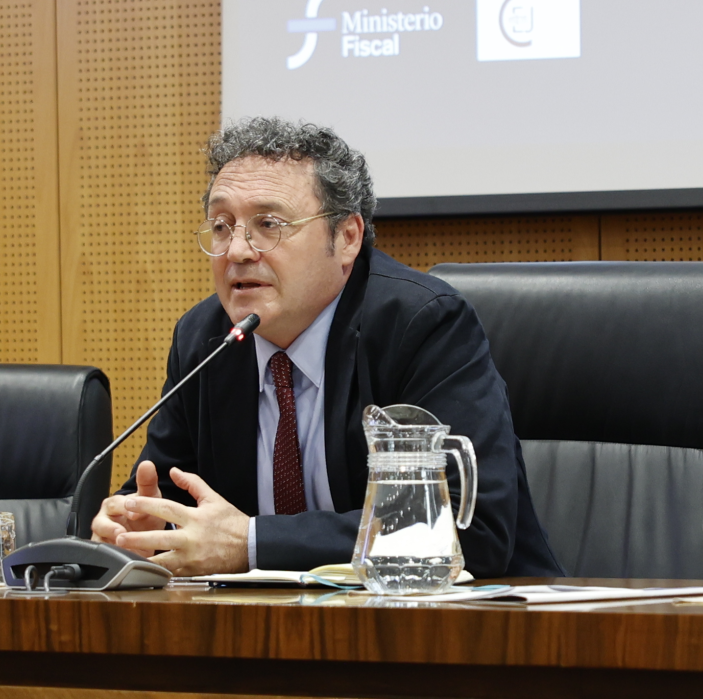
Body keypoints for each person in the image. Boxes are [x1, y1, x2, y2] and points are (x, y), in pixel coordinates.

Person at [91, 118, 562, 579]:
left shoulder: (420, 326)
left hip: (476, 619)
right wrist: (140, 529)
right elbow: (165, 499)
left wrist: (253, 543)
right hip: (273, 624)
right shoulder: (206, 340)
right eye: (221, 226)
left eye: (268, 224)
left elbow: (466, 528)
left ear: (347, 238)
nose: (237, 251)